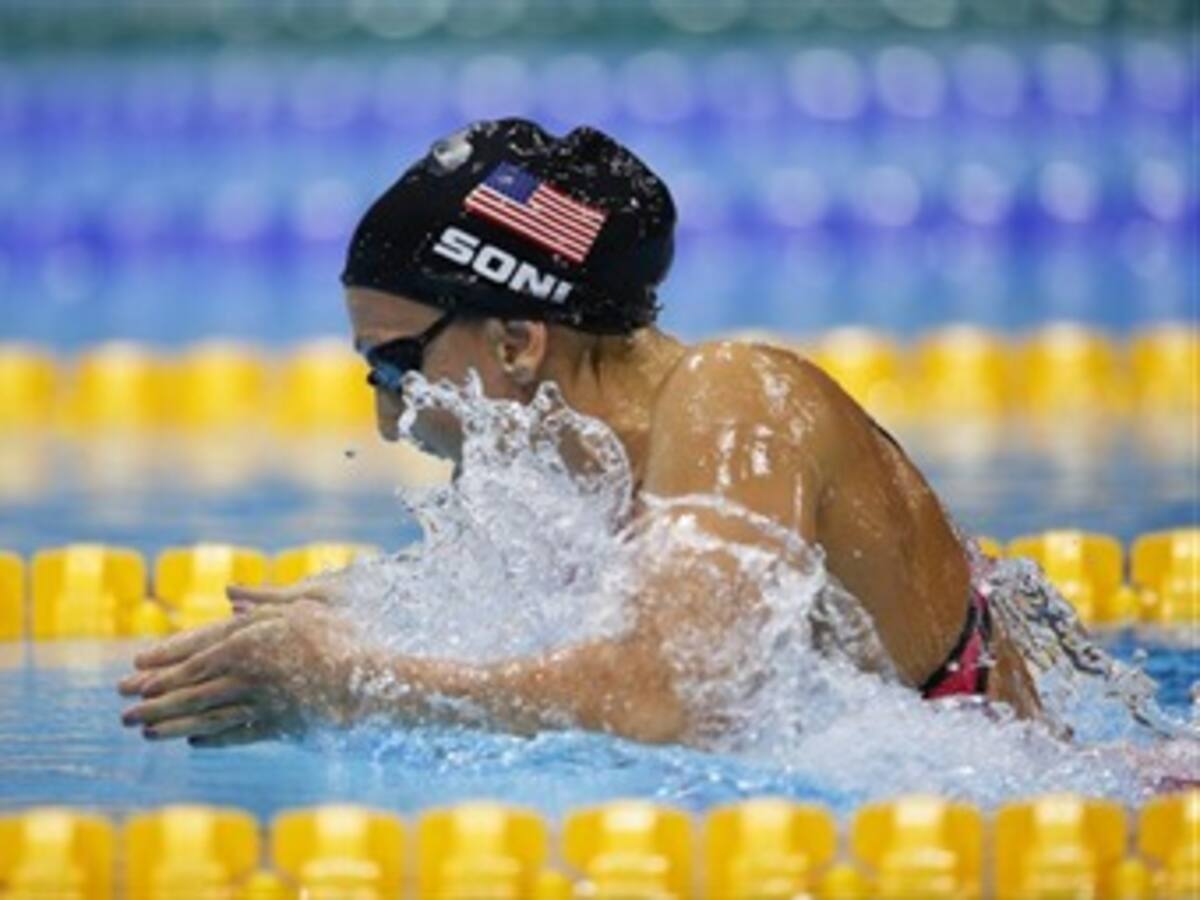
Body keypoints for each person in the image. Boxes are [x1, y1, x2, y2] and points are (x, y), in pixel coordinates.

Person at [119, 119, 1040, 748]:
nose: (389, 416)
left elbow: (669, 698)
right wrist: (369, 617)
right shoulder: (601, 489)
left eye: (398, 363)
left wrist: (356, 677)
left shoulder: (734, 399)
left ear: (518, 338)